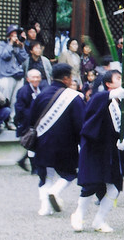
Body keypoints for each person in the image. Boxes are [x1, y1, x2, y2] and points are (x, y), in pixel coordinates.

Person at [72, 69, 124, 232]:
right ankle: (79, 215)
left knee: (114, 188)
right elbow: (92, 113)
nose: (122, 81)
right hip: (96, 148)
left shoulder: (121, 104)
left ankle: (99, 220)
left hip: (113, 152)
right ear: (108, 84)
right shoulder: (100, 98)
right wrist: (109, 96)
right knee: (91, 185)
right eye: (118, 78)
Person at [30, 63, 85, 216]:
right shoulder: (73, 97)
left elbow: (31, 118)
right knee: (69, 174)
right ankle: (55, 191)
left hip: (42, 142)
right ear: (66, 78)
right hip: (65, 144)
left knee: (45, 175)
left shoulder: (41, 95)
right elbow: (80, 123)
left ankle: (44, 208)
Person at [14, 69, 44, 170]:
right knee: (32, 143)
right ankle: (33, 168)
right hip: (28, 122)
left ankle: (23, 160)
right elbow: (20, 108)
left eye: (37, 77)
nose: (36, 79)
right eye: (33, 77)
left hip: (39, 121)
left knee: (36, 144)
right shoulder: (24, 91)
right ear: (28, 79)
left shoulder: (41, 89)